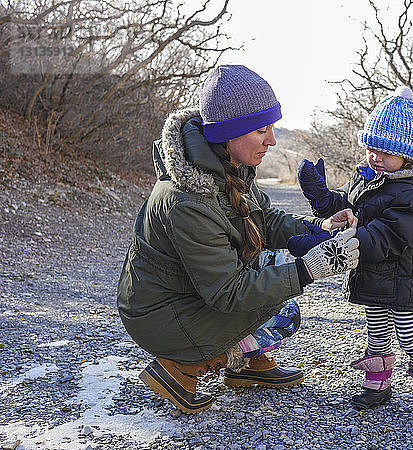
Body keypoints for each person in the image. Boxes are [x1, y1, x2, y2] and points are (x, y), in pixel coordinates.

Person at [116, 65, 359, 414]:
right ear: (230, 132)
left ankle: (244, 367)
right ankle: (180, 368)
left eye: (272, 128)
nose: (272, 140)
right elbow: (228, 292)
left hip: (185, 296)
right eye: (261, 129)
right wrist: (309, 270)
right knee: (276, 301)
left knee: (275, 278)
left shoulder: (230, 163)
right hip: (160, 316)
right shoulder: (187, 199)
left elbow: (265, 220)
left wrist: (322, 227)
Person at [296, 86, 413, 424]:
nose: (375, 157)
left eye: (386, 151)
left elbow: (389, 233)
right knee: (376, 330)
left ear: (405, 156)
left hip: (403, 276)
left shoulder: (412, 193)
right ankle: (378, 385)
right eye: (371, 148)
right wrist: (321, 197)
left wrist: (351, 242)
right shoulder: (369, 176)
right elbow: (349, 206)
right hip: (373, 271)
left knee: (409, 334)